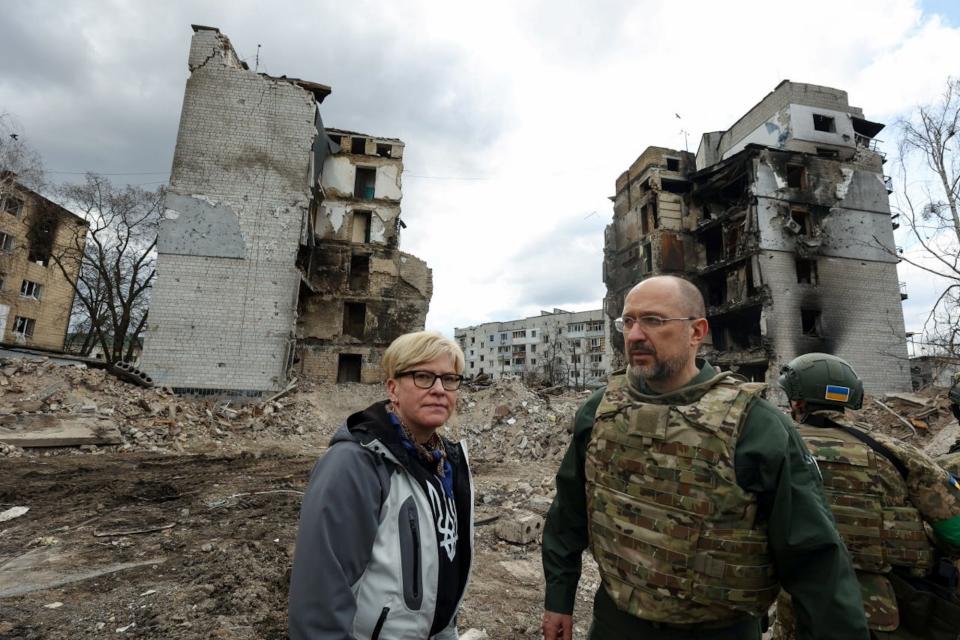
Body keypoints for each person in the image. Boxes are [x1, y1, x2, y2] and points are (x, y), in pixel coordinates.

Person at [541, 275, 868, 640]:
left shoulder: (757, 425)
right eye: (628, 321)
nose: (633, 335)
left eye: (653, 320)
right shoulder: (599, 409)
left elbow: (815, 559)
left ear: (697, 332)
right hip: (616, 625)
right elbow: (567, 513)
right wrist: (559, 598)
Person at [288, 331, 474, 640]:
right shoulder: (354, 464)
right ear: (393, 389)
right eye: (424, 377)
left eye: (449, 379)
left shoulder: (444, 463)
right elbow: (319, 600)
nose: (440, 389)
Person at [775, 352, 960, 640]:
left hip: (799, 605)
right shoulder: (896, 452)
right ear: (853, 397)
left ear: (796, 400)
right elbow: (955, 530)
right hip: (884, 613)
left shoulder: (771, 448)